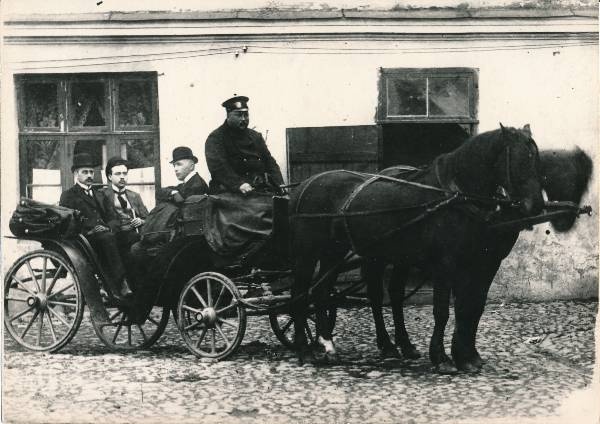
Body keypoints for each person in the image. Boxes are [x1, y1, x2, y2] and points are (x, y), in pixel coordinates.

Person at [59, 153, 133, 303]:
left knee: (131, 238)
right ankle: (120, 283)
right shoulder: (68, 196)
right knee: (107, 238)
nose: (89, 175)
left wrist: (106, 227)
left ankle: (134, 279)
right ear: (76, 174)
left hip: (104, 234)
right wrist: (91, 231)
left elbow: (113, 218)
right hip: (84, 240)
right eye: (85, 172)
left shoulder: (100, 195)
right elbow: (69, 223)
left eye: (91, 172)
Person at [205, 95, 284, 194]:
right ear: (228, 115)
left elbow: (270, 163)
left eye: (246, 115)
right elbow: (219, 168)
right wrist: (239, 184)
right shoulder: (216, 138)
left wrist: (280, 185)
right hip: (229, 191)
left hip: (257, 189)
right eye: (238, 115)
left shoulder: (255, 137)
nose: (243, 119)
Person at [102, 156, 149, 253]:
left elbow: (147, 218)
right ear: (110, 177)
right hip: (114, 238)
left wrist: (141, 221)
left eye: (125, 173)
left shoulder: (135, 196)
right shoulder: (102, 195)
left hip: (135, 235)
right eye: (118, 174)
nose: (122, 177)